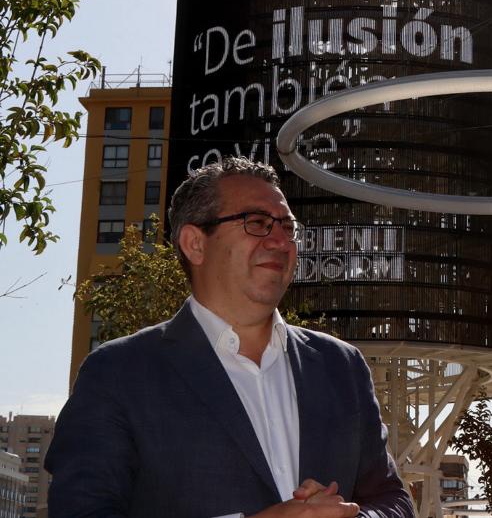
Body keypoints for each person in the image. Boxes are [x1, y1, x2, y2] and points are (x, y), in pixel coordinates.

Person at [47, 157, 416, 518]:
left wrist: (350, 516)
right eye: (257, 222)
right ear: (195, 243)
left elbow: (392, 500)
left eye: (288, 228)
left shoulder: (341, 366)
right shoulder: (118, 374)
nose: (280, 241)